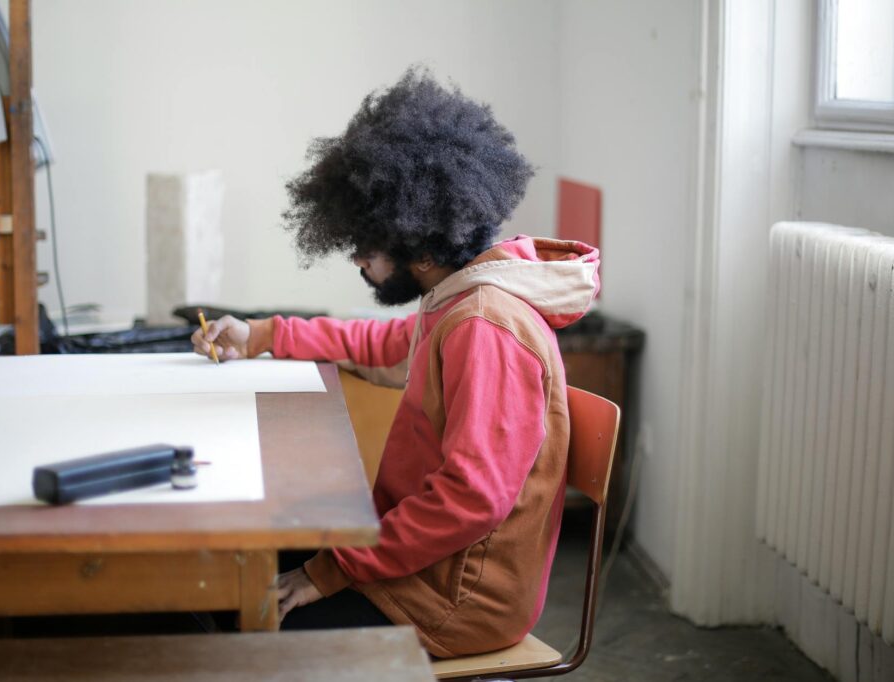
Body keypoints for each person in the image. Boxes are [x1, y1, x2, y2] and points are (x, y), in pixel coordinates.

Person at [192, 67, 599, 658]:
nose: (358, 260)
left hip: (453, 600)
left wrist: (326, 573)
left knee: (231, 630)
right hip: (422, 564)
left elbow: (470, 500)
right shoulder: (462, 294)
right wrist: (261, 335)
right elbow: (383, 347)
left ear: (420, 242)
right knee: (228, 564)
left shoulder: (486, 327)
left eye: (367, 245)